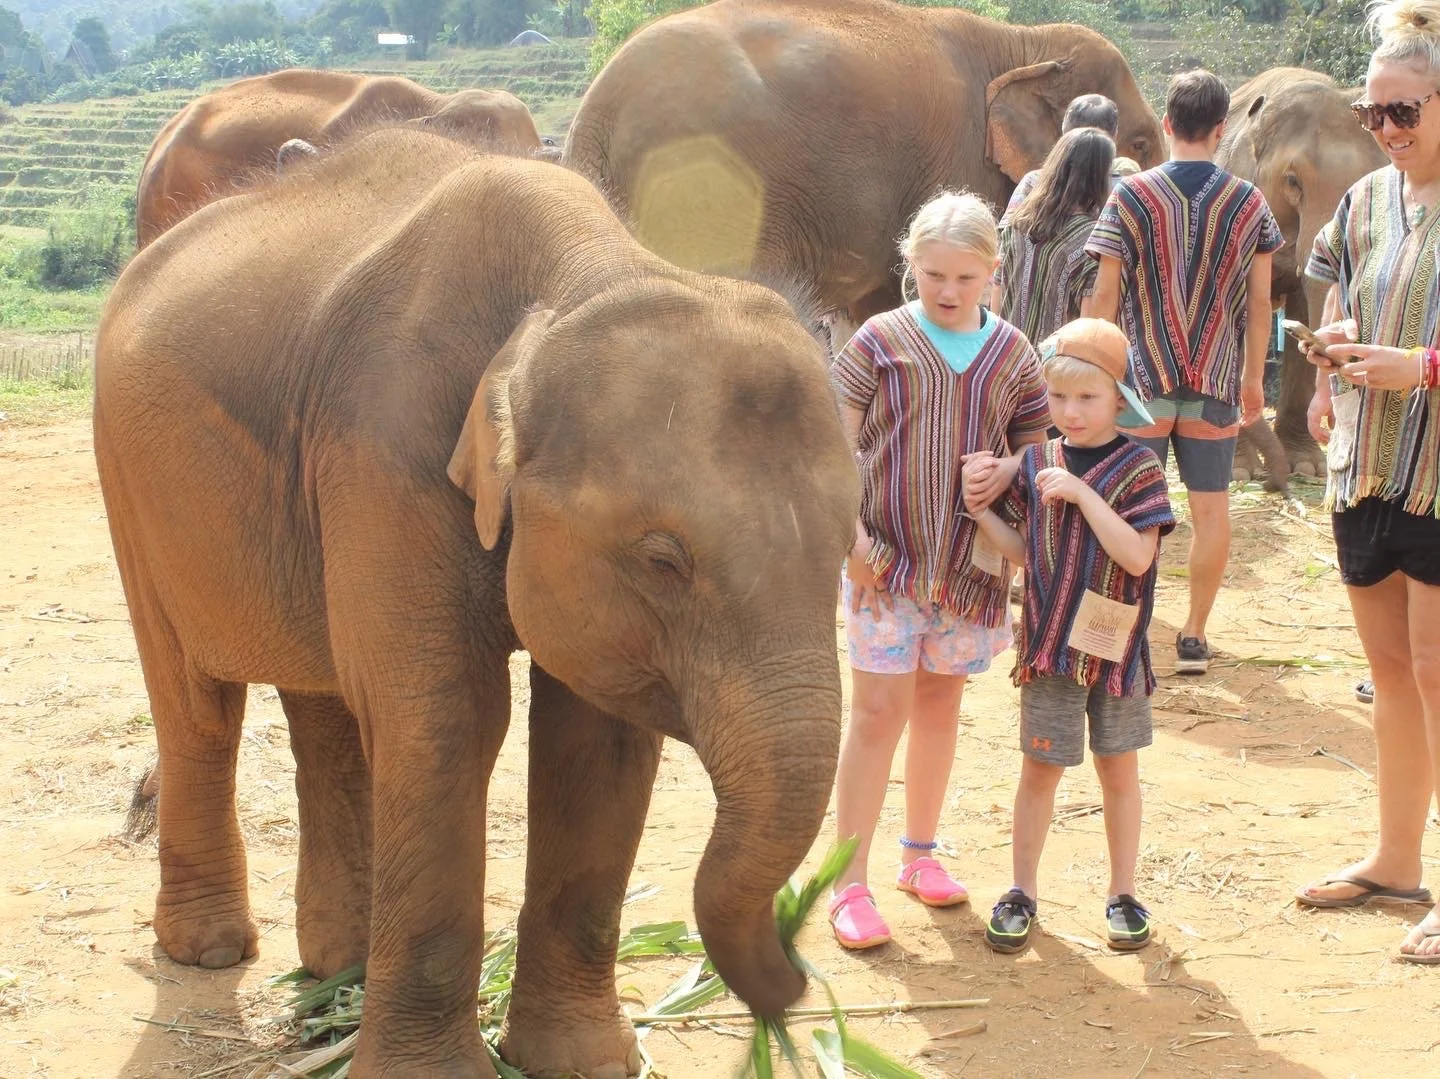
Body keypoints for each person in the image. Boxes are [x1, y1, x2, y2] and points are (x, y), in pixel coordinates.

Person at [827, 191, 1051, 949]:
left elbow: (1040, 448)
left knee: (939, 706)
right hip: (880, 562)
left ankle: (918, 854)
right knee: (875, 714)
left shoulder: (1015, 353)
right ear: (908, 269)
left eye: (964, 277)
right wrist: (852, 542)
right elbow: (832, 448)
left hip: (968, 569)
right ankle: (846, 880)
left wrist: (1008, 469)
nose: (948, 291)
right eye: (932, 276)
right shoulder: (877, 341)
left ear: (994, 271)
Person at [1293, 0, 1440, 965]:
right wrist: (1328, 360)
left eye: (1404, 113)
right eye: (1371, 112)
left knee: (1437, 672)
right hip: (1369, 457)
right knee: (1390, 672)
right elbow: (1339, 288)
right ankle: (1395, 858)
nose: (1385, 131)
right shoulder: (1368, 201)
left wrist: (1424, 368)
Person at [962, 318, 1175, 954]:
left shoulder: (1139, 467)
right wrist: (980, 513)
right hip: (1051, 650)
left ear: (1118, 398)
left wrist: (1084, 495)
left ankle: (1123, 894)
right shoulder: (1038, 462)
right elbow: (1026, 553)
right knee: (1040, 770)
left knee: (1118, 771)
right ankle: (1021, 891)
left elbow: (1138, 557)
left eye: (1087, 398)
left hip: (1117, 655)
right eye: (1058, 399)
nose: (1071, 412)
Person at [1085, 69, 1282, 676]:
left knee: (1121, 508)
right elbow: (1258, 305)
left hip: (1140, 382)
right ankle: (1194, 635)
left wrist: (1094, 367)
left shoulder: (1132, 196)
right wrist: (1253, 380)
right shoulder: (1249, 203)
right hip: (1215, 383)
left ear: (1167, 125)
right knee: (1211, 510)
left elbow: (1105, 294)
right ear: (1221, 130)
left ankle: (1123, 630)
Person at [995, 127, 1116, 350]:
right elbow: (1087, 326)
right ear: (1099, 175)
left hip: (1007, 359)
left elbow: (997, 294)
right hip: (1053, 372)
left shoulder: (1016, 222)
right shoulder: (1091, 240)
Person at [1000, 93, 1141, 227]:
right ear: (1115, 135)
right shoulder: (1125, 191)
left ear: (1064, 131)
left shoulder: (1033, 182)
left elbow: (1007, 235)